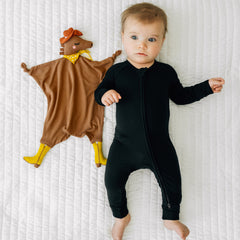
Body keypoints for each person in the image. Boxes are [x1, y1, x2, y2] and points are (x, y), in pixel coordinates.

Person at [94, 3, 225, 240]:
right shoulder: (117, 72)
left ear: (162, 41)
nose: (142, 45)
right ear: (123, 38)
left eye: (151, 39)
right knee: (112, 181)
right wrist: (104, 95)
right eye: (134, 37)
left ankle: (171, 217)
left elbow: (181, 97)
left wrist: (206, 88)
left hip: (159, 145)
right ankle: (120, 216)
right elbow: (98, 93)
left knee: (173, 181)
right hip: (123, 145)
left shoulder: (165, 73)